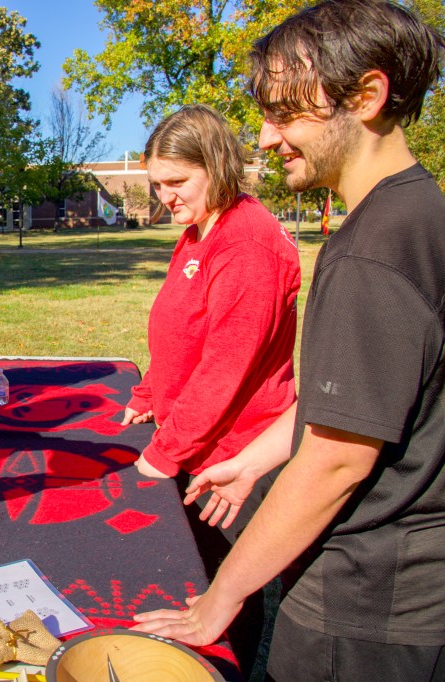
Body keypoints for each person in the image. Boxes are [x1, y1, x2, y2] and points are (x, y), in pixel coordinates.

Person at [132, 2, 445, 680]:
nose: (268, 139)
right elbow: (361, 406)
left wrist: (222, 595)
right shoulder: (412, 217)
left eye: (285, 113)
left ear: (366, 96)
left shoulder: (375, 251)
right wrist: (255, 461)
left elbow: (337, 460)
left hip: (368, 599)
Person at [120, 104, 300, 673]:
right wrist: (149, 393)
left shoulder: (245, 245)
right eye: (157, 185)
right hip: (201, 445)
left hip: (241, 458)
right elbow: (181, 334)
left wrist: (163, 454)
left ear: (217, 166)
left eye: (177, 182)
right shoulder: (201, 231)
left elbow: (227, 367)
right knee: (199, 581)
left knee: (236, 599)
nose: (165, 197)